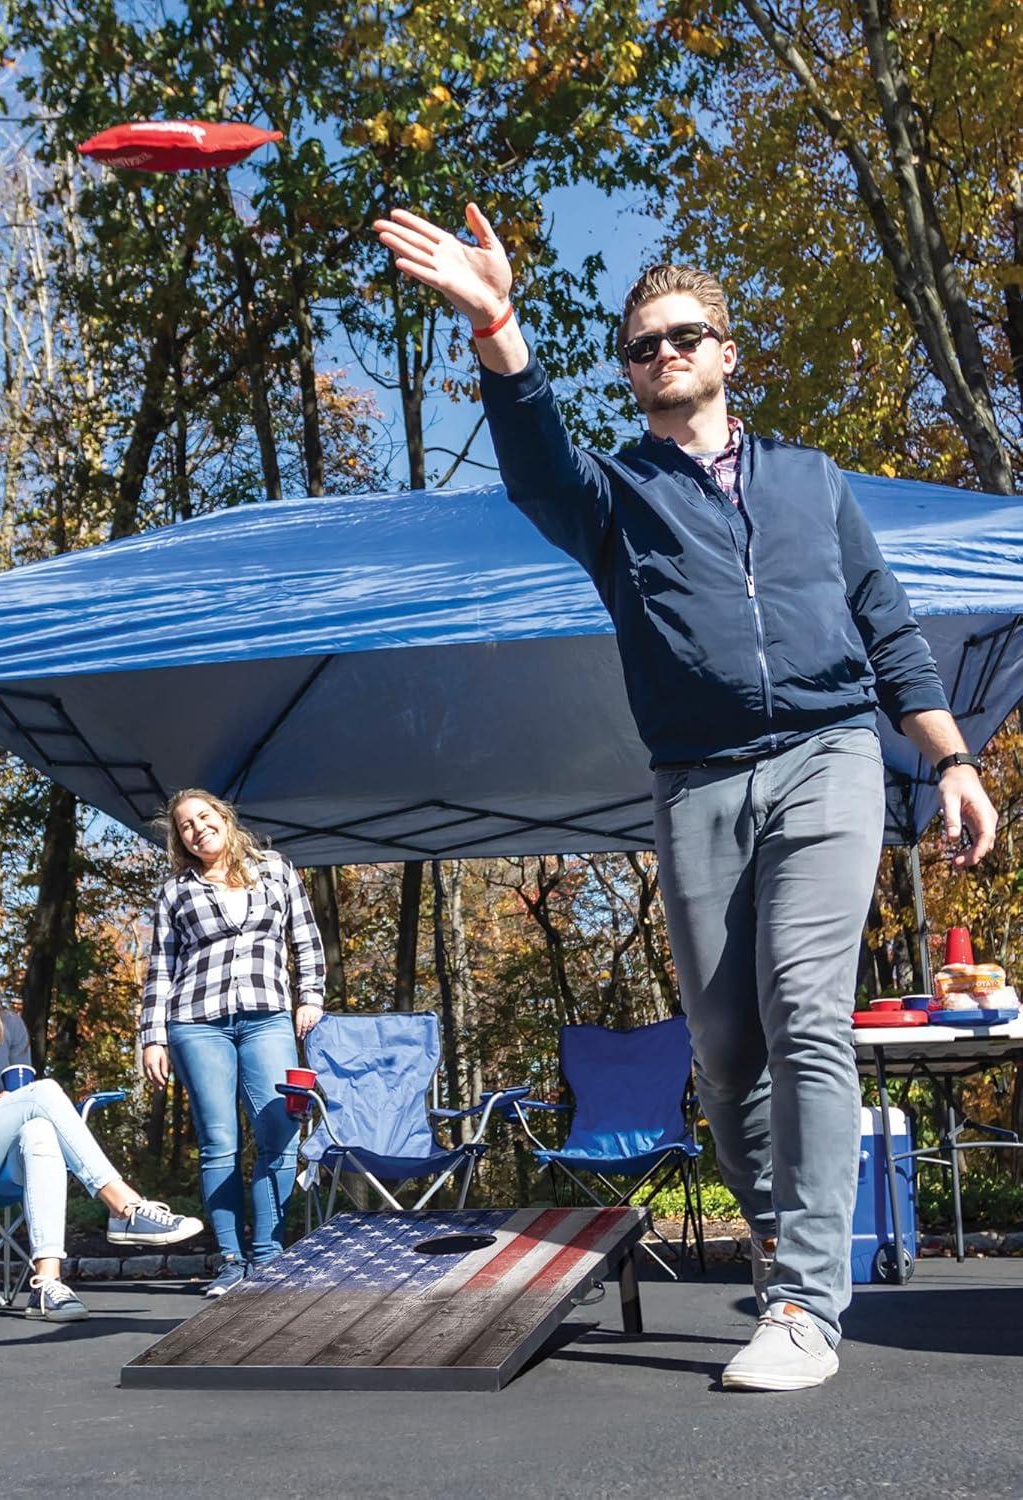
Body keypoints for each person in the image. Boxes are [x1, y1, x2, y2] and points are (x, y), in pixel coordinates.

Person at [374, 206, 997, 1392]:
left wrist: (951, 758)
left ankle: (812, 1299)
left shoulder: (814, 485)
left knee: (808, 1009)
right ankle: (777, 1246)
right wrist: (496, 322)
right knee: (724, 1049)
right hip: (697, 778)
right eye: (643, 344)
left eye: (684, 335)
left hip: (828, 755)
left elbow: (888, 628)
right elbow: (538, 463)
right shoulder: (617, 501)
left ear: (725, 353)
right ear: (633, 371)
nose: (663, 354)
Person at [0, 928, 202, 1320]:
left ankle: (47, 1284)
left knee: (39, 1131)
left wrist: (4, 1107)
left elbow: (22, 1099)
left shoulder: (8, 1027)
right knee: (44, 1091)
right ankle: (124, 1206)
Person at [140, 790, 326, 1296]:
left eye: (204, 817)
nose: (197, 828)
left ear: (224, 819)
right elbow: (160, 968)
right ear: (180, 840)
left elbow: (305, 939)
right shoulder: (176, 891)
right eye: (185, 826)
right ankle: (230, 1261)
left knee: (281, 1131)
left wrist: (310, 996)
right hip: (197, 1023)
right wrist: (152, 1038)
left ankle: (268, 1257)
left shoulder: (275, 869)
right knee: (219, 1143)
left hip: (268, 1017)